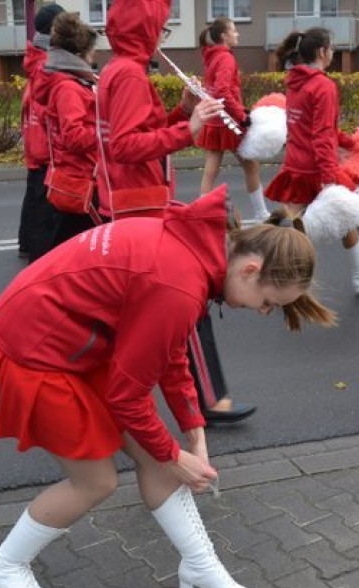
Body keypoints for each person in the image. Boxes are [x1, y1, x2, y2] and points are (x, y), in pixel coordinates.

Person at [0, 186, 335, 588]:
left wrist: (192, 434)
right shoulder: (179, 284)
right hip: (32, 351)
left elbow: (171, 353)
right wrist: (175, 455)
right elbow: (127, 396)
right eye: (269, 303)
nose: (261, 312)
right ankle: (5, 567)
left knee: (159, 458)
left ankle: (201, 567)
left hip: (68, 340)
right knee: (96, 481)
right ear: (250, 270)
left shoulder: (196, 250)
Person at [97, 0, 254, 424]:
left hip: (138, 201)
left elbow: (140, 132)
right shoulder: (129, 73)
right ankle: (205, 399)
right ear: (144, 28)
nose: (162, 37)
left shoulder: (121, 68)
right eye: (161, 29)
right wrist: (190, 129)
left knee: (152, 310)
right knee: (187, 298)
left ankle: (192, 398)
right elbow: (127, 147)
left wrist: (183, 111)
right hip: (140, 205)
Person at [265, 27, 359, 295]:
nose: (333, 53)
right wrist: (328, 177)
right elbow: (321, 134)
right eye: (332, 48)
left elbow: (315, 127)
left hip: (296, 164)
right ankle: (281, 280)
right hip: (316, 168)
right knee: (304, 230)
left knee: (325, 223)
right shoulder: (323, 85)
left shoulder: (295, 82)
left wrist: (349, 142)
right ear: (322, 52)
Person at [35, 12, 99, 249]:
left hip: (76, 180)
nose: (96, 57)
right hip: (79, 183)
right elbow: (73, 137)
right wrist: (107, 135)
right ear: (80, 55)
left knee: (65, 248)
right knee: (77, 250)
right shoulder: (69, 89)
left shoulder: (72, 83)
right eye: (93, 52)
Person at [197, 17, 270, 222]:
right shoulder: (226, 58)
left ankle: (199, 214)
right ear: (224, 36)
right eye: (234, 30)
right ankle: (262, 214)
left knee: (210, 171)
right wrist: (242, 116)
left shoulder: (211, 57)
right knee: (251, 166)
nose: (237, 34)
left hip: (214, 120)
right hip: (229, 122)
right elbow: (223, 90)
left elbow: (214, 89)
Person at [17, 2, 64, 262]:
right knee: (45, 198)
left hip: (35, 133)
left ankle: (27, 242)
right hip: (43, 136)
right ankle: (39, 251)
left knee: (34, 193)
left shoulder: (37, 54)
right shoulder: (49, 60)